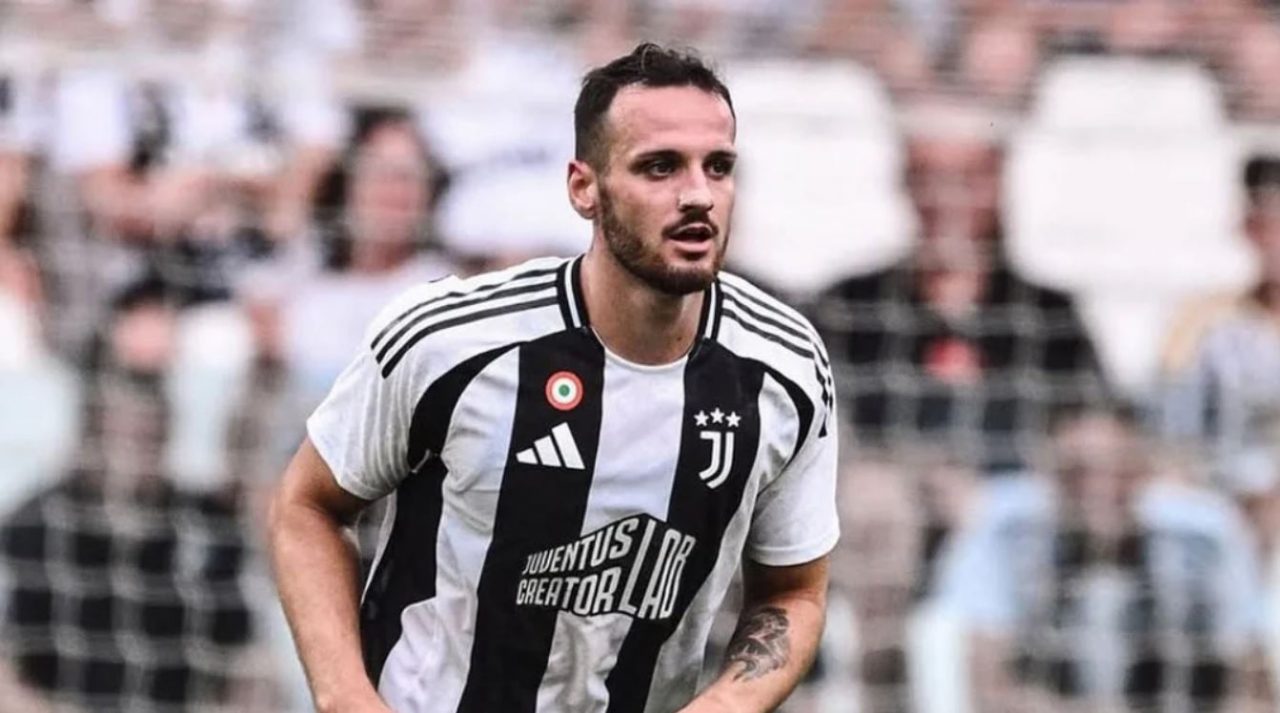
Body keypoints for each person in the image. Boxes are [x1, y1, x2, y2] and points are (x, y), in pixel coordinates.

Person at [269, 43, 838, 712]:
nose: (697, 195)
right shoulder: (449, 339)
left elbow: (794, 590)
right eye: (659, 167)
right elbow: (307, 505)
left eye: (718, 167)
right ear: (583, 188)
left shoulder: (785, 368)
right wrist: (346, 698)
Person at [937, 404, 1268, 712]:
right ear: (1046, 472)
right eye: (1077, 471)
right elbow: (989, 682)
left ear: (1145, 470)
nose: (1100, 487)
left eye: (1119, 469)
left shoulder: (1203, 536)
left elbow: (1252, 683)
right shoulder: (1004, 529)